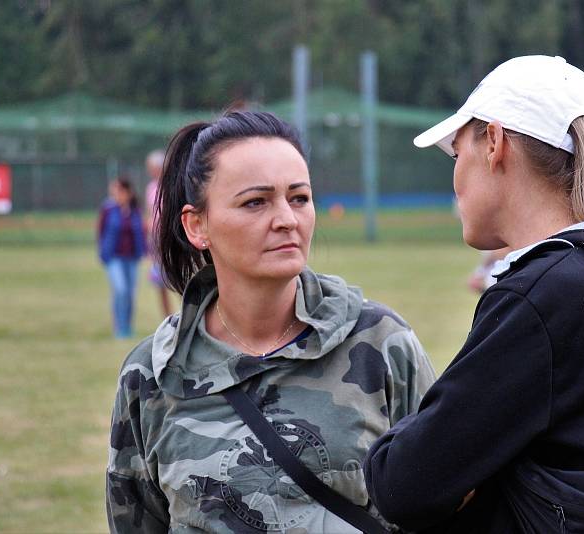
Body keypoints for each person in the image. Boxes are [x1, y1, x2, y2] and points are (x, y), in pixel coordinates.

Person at [364, 55, 584, 533]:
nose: (455, 177)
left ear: (494, 142)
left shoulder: (543, 296)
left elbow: (403, 483)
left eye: (455, 152)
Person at [106, 110, 435, 533]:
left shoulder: (381, 344)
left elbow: (444, 505)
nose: (286, 219)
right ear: (196, 225)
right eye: (255, 202)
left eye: (298, 198)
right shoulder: (150, 374)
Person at [97, 177, 146, 338]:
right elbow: (101, 231)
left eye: (119, 190)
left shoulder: (135, 210)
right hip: (114, 257)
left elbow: (140, 232)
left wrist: (143, 251)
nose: (116, 193)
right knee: (120, 290)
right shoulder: (108, 209)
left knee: (130, 293)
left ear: (128, 192)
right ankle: (119, 327)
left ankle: (127, 326)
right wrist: (102, 252)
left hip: (131, 257)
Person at [144, 148, 173, 317]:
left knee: (175, 278)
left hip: (169, 237)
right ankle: (167, 317)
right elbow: (150, 212)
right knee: (159, 280)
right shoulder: (151, 188)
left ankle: (187, 314)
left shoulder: (171, 186)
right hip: (155, 239)